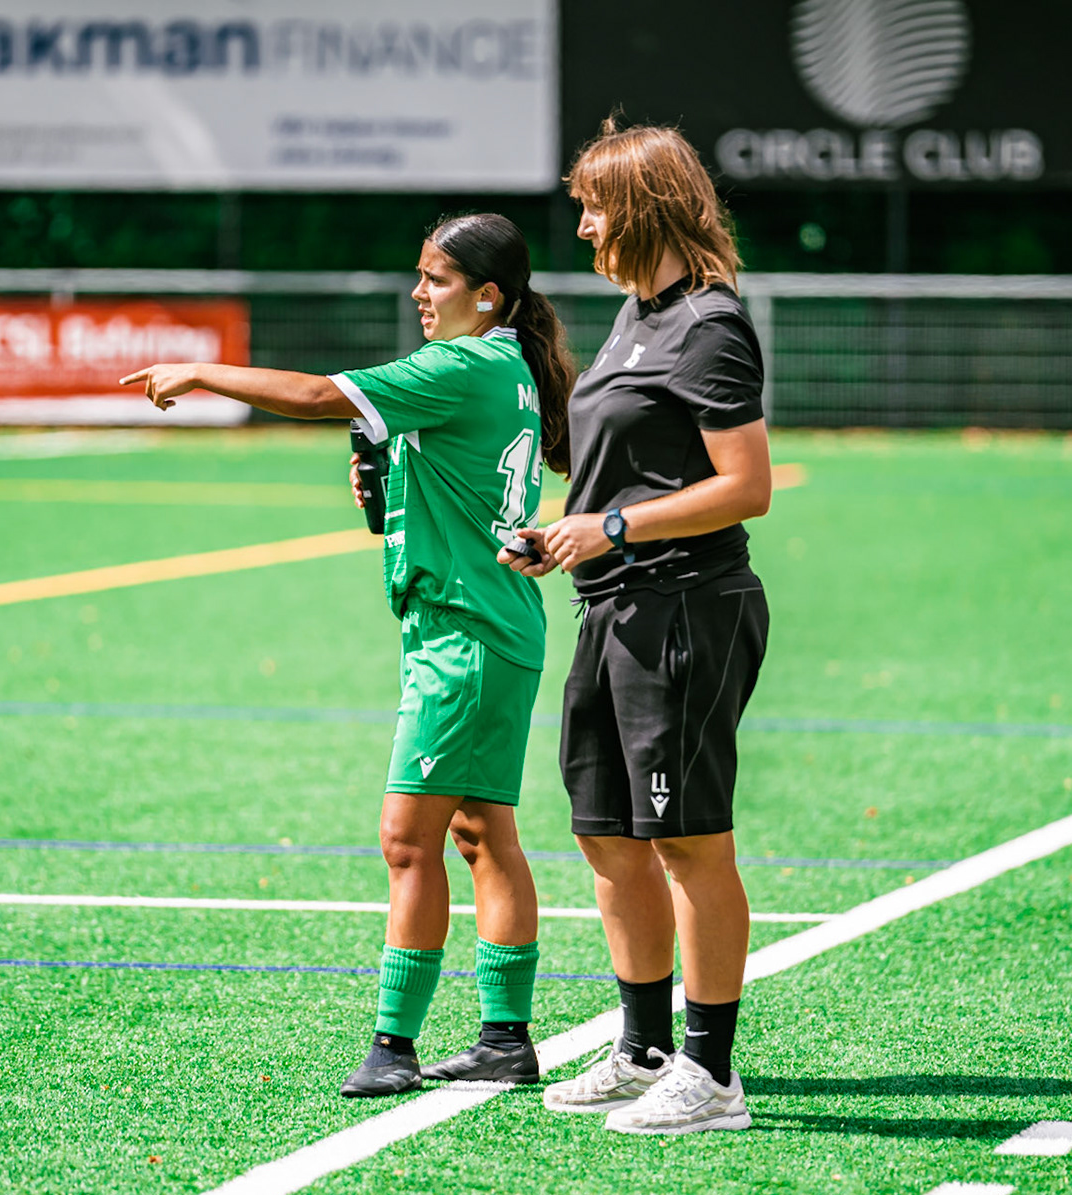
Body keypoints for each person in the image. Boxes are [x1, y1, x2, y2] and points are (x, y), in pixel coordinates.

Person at [122, 213, 576, 1098]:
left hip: (466, 635)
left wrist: (204, 370)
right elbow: (425, 484)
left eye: (436, 280)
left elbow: (314, 394)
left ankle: (394, 1047)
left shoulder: (463, 363)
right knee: (484, 835)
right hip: (481, 626)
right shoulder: (507, 362)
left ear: (488, 296)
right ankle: (505, 1039)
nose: (419, 294)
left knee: (409, 838)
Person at [501, 121, 773, 1135]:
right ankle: (646, 1045)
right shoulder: (633, 314)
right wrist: (561, 532)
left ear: (646, 208)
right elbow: (620, 465)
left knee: (689, 839)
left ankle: (711, 1073)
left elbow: (746, 487)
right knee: (609, 835)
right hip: (611, 604)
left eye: (595, 205)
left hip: (686, 609)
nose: (582, 223)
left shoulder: (709, 323)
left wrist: (609, 524)